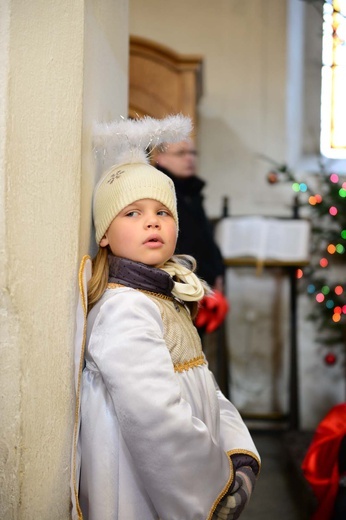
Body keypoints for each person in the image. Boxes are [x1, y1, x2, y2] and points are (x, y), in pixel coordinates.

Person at [71, 115, 260, 520]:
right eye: (132, 213)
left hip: (195, 472)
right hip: (149, 489)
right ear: (104, 233)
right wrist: (214, 485)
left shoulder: (163, 296)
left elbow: (203, 384)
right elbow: (156, 418)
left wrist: (237, 452)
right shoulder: (126, 307)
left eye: (162, 211)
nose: (152, 220)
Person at [154, 139, 225, 293]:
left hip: (203, 283)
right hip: (178, 283)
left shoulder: (192, 191)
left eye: (193, 153)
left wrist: (217, 271)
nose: (189, 158)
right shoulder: (157, 190)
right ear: (160, 157)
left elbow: (205, 238)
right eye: (181, 153)